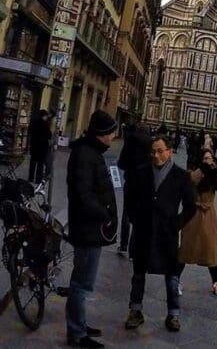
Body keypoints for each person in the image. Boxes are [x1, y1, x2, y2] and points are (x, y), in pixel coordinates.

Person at [124, 135, 196, 333]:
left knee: (172, 274)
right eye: (152, 151)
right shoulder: (141, 172)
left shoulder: (181, 176)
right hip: (143, 230)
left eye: (159, 151)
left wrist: (177, 224)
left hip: (167, 233)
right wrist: (135, 218)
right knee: (138, 272)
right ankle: (135, 311)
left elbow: (191, 206)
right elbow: (129, 197)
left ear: (169, 151)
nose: (155, 155)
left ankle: (173, 314)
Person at [65, 110, 119, 348]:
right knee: (81, 283)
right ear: (101, 134)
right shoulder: (85, 155)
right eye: (110, 132)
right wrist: (104, 215)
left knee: (83, 281)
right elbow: (83, 194)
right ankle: (77, 333)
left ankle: (79, 324)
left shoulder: (91, 152)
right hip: (87, 228)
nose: (113, 136)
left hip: (90, 228)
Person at [178, 148, 217, 296]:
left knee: (211, 248)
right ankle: (176, 280)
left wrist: (216, 173)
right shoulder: (192, 171)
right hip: (193, 212)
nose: (208, 161)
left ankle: (216, 282)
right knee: (186, 248)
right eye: (205, 158)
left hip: (208, 214)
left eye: (210, 158)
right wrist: (203, 169)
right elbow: (192, 179)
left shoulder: (213, 173)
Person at [116, 117, 150, 255]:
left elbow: (121, 163)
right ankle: (133, 250)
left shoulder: (130, 141)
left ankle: (123, 245)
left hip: (130, 181)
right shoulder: (151, 143)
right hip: (145, 184)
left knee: (126, 213)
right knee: (139, 215)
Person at [27, 109, 52, 185]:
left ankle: (30, 178)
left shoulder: (34, 122)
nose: (46, 117)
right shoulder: (45, 124)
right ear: (43, 116)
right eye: (46, 116)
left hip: (34, 146)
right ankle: (38, 179)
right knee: (40, 164)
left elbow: (29, 131)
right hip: (42, 147)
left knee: (33, 162)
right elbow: (49, 135)